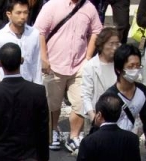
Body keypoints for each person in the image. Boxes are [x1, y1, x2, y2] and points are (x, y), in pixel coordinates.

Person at [34, 0, 100, 151]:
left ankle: (74, 136)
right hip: (53, 65)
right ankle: (53, 130)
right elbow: (39, 32)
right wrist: (44, 58)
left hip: (79, 66)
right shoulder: (52, 5)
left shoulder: (89, 7)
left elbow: (96, 31)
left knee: (81, 102)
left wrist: (88, 58)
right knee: (52, 104)